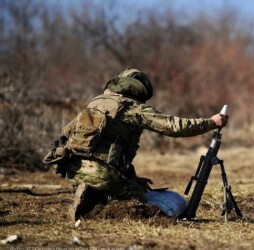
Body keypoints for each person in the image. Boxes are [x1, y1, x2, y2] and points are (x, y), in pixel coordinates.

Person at [43, 68, 229, 221]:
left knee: (131, 186)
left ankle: (92, 191)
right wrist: (211, 122)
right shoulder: (131, 108)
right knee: (166, 203)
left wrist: (131, 177)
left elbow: (66, 133)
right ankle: (104, 199)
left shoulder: (96, 103)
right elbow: (173, 126)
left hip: (76, 171)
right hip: (104, 174)